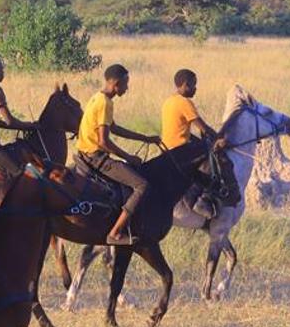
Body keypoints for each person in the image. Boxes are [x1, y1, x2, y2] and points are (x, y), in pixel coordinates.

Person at [75, 63, 161, 245]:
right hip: (95, 158)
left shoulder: (98, 97)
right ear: (116, 83)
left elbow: (113, 128)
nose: (127, 88)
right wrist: (128, 157)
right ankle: (115, 233)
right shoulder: (105, 103)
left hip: (84, 154)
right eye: (125, 83)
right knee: (142, 185)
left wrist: (144, 138)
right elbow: (103, 142)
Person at [161, 68, 224, 218]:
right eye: (193, 85)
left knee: (206, 149)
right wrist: (219, 138)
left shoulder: (170, 101)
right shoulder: (184, 102)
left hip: (168, 147)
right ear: (185, 84)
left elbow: (183, 130)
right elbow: (203, 127)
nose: (195, 89)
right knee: (212, 158)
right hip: (180, 149)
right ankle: (199, 199)